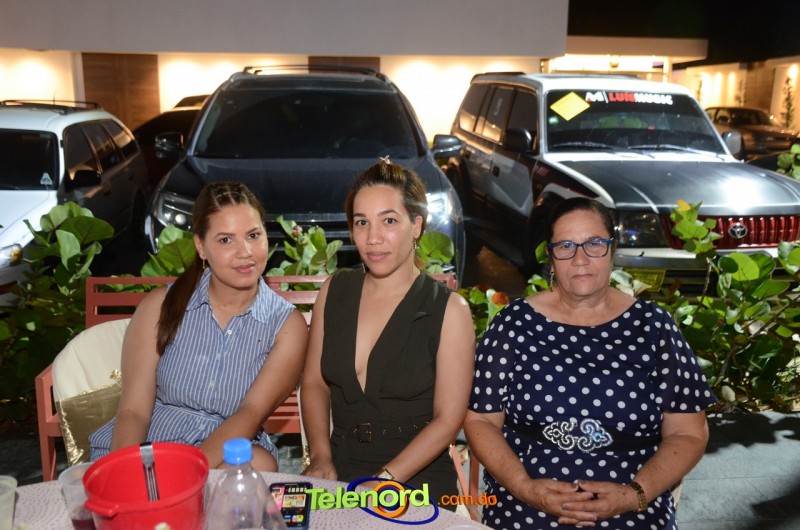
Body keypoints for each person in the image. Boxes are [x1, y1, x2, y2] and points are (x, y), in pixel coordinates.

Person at [463, 197, 717, 529]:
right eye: (566, 246)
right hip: (525, 503)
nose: (580, 259)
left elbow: (688, 432)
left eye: (594, 243)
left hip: (634, 507)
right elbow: (481, 419)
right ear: (551, 256)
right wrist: (525, 488)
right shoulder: (514, 324)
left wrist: (634, 495)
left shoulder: (654, 327)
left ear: (612, 249)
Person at [89, 181, 308, 471]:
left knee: (257, 464)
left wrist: (184, 474)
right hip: (149, 447)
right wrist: (128, 472)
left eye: (253, 235)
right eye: (226, 240)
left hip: (225, 450)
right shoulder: (161, 305)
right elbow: (134, 411)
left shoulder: (286, 326)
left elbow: (250, 414)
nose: (245, 251)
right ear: (201, 247)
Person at [301, 159, 475, 506]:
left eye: (389, 221)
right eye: (361, 222)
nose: (373, 238)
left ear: (416, 226)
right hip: (340, 467)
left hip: (416, 476)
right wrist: (320, 455)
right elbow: (314, 382)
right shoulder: (336, 290)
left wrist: (385, 481)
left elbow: (448, 419)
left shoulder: (448, 309)